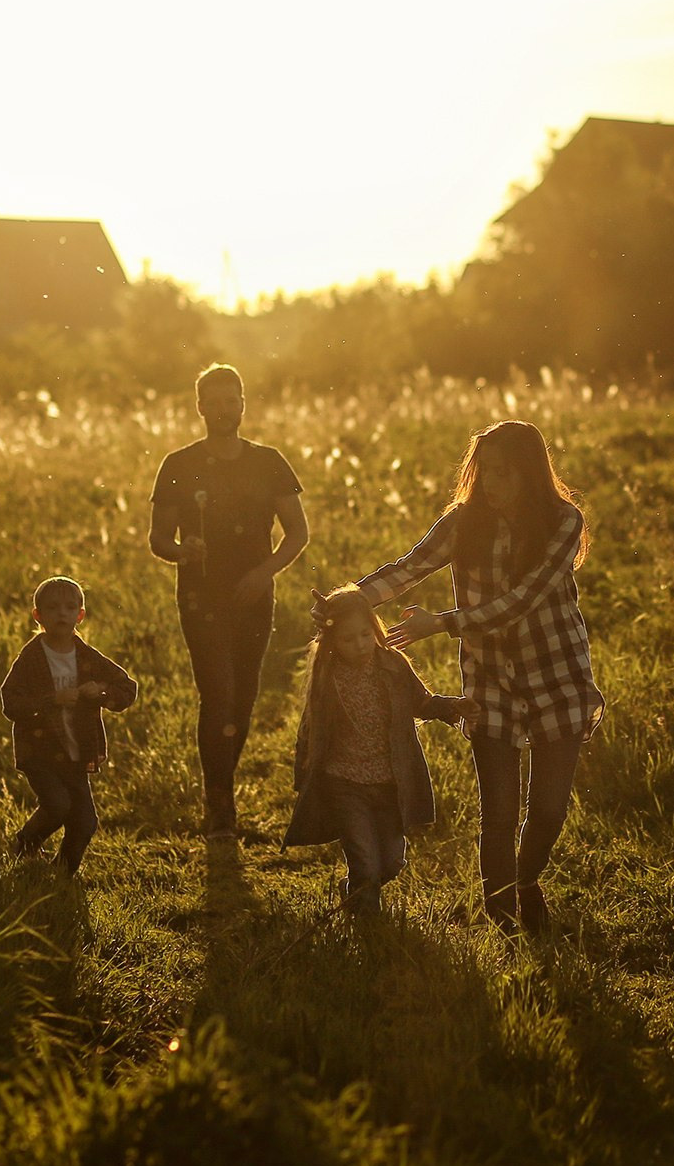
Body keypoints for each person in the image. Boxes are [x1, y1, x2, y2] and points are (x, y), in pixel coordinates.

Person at [348, 420, 603, 932]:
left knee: (549, 810)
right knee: (499, 811)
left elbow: (522, 602)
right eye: (484, 473)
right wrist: (347, 602)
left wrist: (440, 624)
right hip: (489, 679)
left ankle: (527, 880)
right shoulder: (463, 523)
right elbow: (409, 568)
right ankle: (503, 917)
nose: (491, 484)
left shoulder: (563, 521)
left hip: (557, 673)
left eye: (504, 474)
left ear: (531, 474)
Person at [149, 364, 308, 839]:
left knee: (243, 699)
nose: (223, 410)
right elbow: (158, 538)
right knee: (217, 696)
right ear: (199, 408)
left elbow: (297, 533)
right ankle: (220, 802)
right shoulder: (178, 465)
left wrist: (264, 573)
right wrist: (181, 551)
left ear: (243, 403)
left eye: (230, 400)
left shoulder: (269, 462)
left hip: (254, 595)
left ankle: (223, 784)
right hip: (200, 597)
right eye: (213, 402)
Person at [282, 585, 466, 913]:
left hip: (389, 785)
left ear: (375, 628)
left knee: (392, 863)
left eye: (365, 634)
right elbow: (310, 730)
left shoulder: (392, 665)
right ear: (331, 641)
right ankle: (368, 928)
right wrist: (304, 776)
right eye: (348, 639)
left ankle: (354, 891)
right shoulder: (328, 676)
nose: (359, 645)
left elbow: (420, 702)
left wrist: (453, 708)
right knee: (365, 864)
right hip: (345, 785)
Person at [0, 576, 138, 876]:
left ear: (80, 615)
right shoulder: (32, 658)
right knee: (58, 804)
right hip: (40, 751)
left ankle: (62, 874)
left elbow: (126, 687)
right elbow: (11, 702)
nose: (61, 613)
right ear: (38, 615)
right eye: (52, 608)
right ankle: (24, 844)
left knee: (85, 821)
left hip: (77, 752)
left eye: (69, 607)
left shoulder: (87, 656)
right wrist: (52, 700)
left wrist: (101, 693)